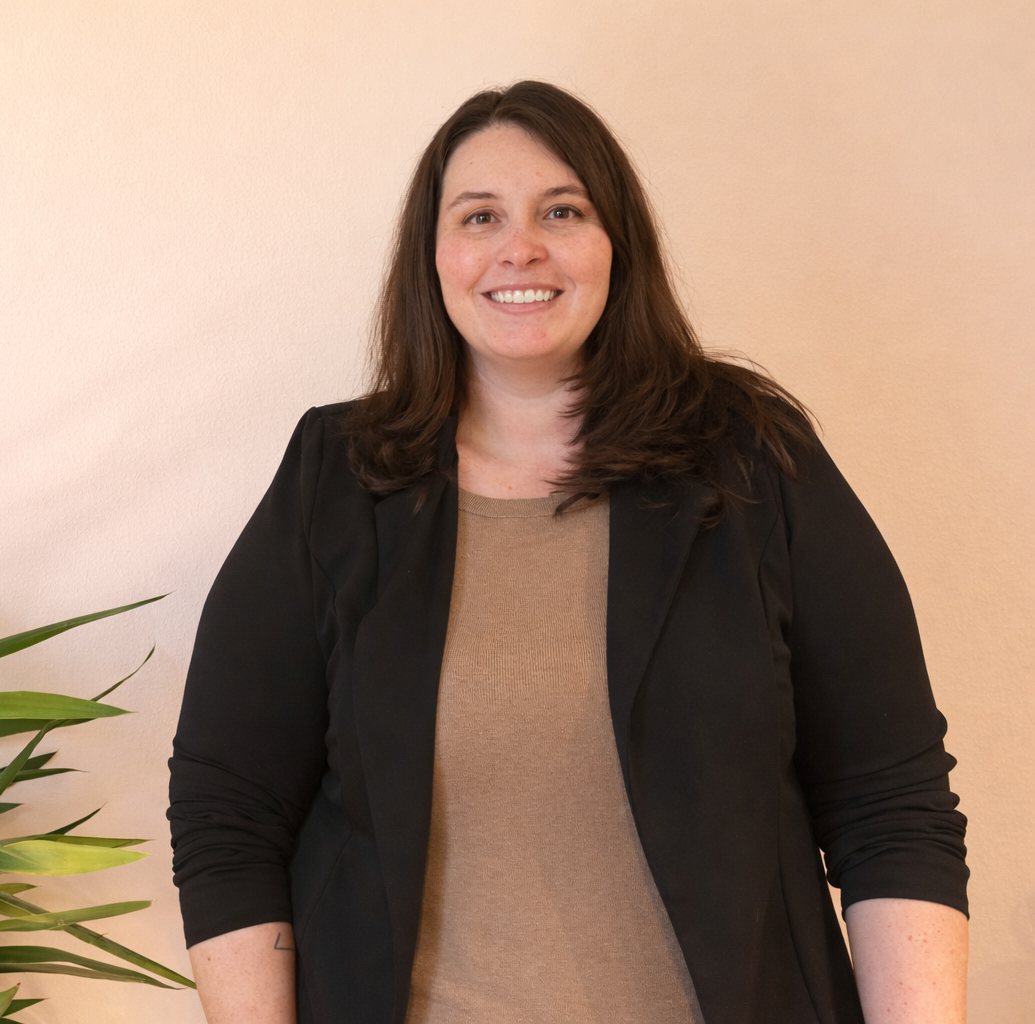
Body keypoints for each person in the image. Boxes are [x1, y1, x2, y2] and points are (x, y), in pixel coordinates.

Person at [167, 81, 969, 1024]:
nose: (522, 248)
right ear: (434, 258)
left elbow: (892, 805)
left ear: (615, 245)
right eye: (480, 216)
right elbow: (229, 813)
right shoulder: (334, 481)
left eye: (563, 210)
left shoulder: (752, 458)